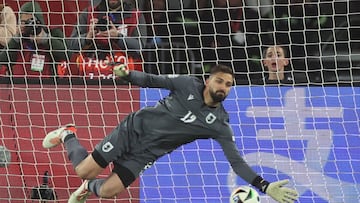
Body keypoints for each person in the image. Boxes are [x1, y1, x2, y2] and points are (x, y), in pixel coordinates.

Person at [43, 64, 299, 203]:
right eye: (220, 81)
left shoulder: (219, 124)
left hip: (146, 153)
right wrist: (128, 74)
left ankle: (89, 187)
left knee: (109, 191)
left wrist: (264, 186)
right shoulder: (187, 83)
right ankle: (68, 134)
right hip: (133, 130)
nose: (224, 87)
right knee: (83, 170)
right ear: (208, 81)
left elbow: (236, 161)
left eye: (229, 84)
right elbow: (153, 80)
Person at [0, 2, 67, 76]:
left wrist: (45, 39)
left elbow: (67, 55)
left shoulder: (53, 34)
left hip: (49, 84)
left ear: (38, 21)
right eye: (23, 22)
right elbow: (3, 60)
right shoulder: (19, 40)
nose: (27, 26)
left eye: (30, 22)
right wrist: (16, 38)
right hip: (20, 84)